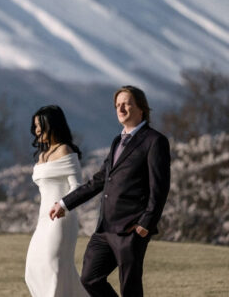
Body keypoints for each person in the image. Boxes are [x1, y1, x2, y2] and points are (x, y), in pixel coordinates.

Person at [49, 87, 170, 297]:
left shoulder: (154, 141)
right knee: (89, 278)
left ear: (141, 108)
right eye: (117, 105)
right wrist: (64, 203)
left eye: (126, 103)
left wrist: (145, 224)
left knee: (130, 288)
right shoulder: (117, 141)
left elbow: (159, 187)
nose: (120, 108)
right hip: (105, 229)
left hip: (132, 229)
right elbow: (98, 181)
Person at [25, 105, 87, 297]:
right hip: (43, 220)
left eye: (41, 125)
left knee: (54, 270)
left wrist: (63, 205)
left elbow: (79, 187)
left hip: (61, 220)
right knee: (33, 270)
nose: (37, 130)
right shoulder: (42, 155)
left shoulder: (65, 150)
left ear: (53, 125)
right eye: (35, 126)